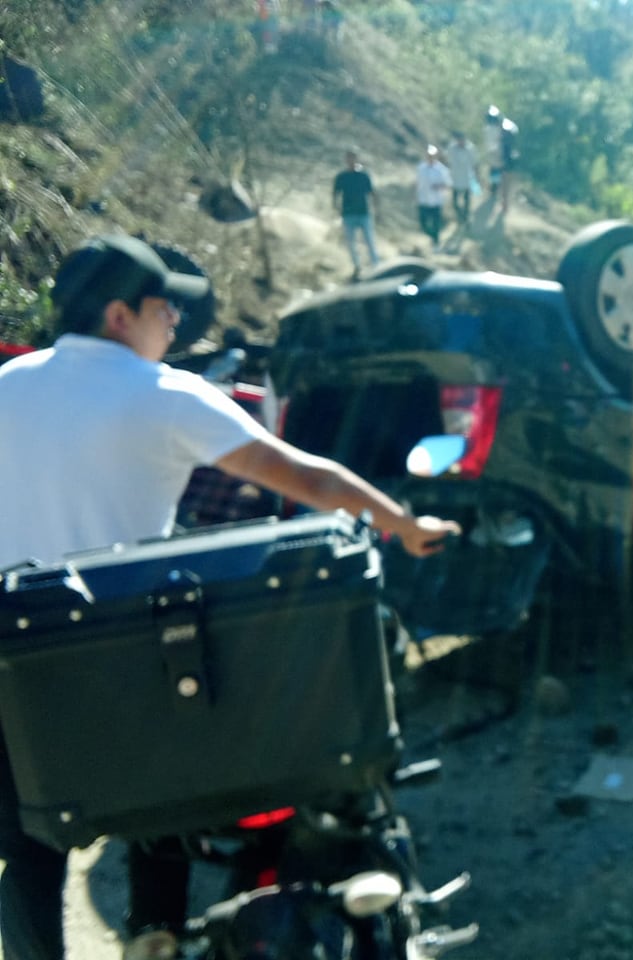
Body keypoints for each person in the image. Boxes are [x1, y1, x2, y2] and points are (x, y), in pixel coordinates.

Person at [0, 234, 460, 959]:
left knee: (27, 851)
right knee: (177, 749)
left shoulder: (8, 385)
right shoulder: (161, 393)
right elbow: (308, 480)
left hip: (19, 670)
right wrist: (403, 524)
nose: (175, 326)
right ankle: (178, 926)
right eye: (163, 310)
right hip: (122, 667)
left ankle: (94, 944)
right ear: (120, 315)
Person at [332, 148, 379, 275]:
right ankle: (357, 266)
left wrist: (376, 210)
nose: (351, 161)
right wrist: (337, 209)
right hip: (348, 214)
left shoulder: (363, 176)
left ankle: (376, 265)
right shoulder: (342, 177)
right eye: (348, 158)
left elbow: (372, 193)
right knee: (351, 242)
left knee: (369, 240)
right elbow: (335, 194)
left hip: (363, 212)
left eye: (353, 158)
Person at [482, 105, 518, 213]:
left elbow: (510, 146)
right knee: (495, 177)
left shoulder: (508, 127)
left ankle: (504, 203)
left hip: (507, 161)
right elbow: (491, 144)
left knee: (505, 184)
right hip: (496, 159)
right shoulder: (490, 129)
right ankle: (494, 194)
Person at [414, 145, 452, 247]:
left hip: (436, 201)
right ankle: (431, 237)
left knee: (436, 225)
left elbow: (447, 184)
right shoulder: (421, 168)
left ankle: (436, 243)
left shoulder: (441, 170)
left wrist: (439, 187)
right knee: (423, 224)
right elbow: (417, 183)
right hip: (424, 200)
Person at [445, 130, 478, 225]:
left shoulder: (470, 148)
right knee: (455, 202)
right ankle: (461, 216)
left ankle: (466, 217)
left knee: (467, 201)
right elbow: (448, 161)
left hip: (467, 178)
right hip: (455, 178)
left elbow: (474, 163)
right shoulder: (452, 148)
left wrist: (476, 176)